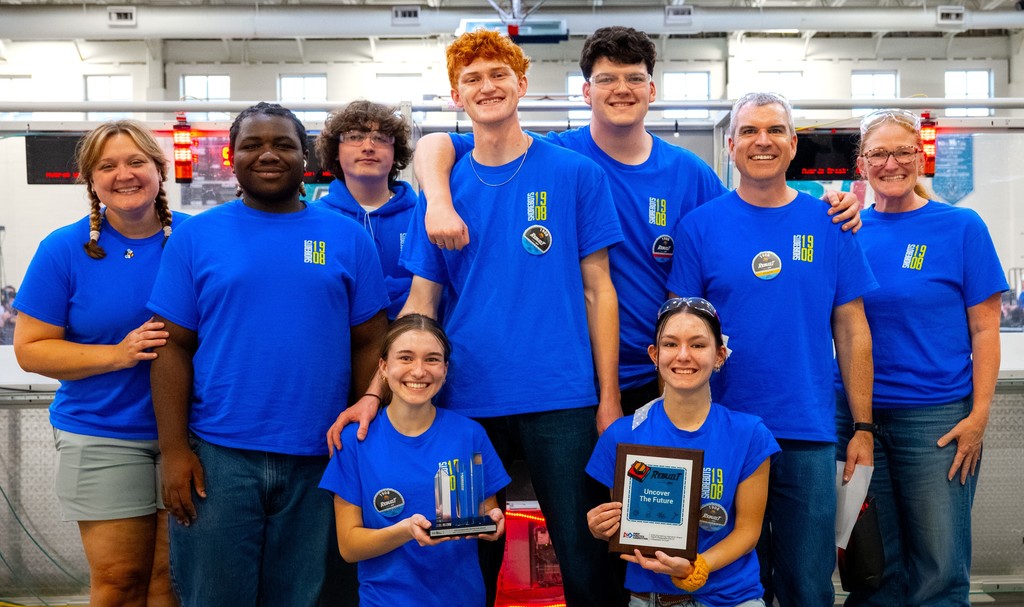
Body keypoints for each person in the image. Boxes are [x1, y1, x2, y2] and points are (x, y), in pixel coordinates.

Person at [413, 26, 862, 415]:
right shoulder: (556, 157)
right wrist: (436, 200)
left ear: (652, 90)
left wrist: (828, 202)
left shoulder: (689, 174)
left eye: (635, 78)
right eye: (606, 79)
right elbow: (443, 145)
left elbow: (745, 222)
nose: (621, 89)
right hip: (575, 372)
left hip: (666, 370)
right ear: (586, 92)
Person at [333, 29, 625, 607]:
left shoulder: (575, 174)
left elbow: (600, 290)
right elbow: (421, 304)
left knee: (584, 556)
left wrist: (608, 396)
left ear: (522, 84)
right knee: (468, 552)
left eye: (498, 75)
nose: (486, 87)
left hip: (561, 395)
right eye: (472, 79)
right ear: (455, 96)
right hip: (467, 400)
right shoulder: (443, 189)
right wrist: (375, 392)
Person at [148, 102, 389, 607]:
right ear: (231, 157)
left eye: (283, 144)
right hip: (218, 459)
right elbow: (171, 347)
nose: (268, 154)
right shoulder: (197, 236)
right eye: (253, 144)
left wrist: (366, 430)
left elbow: (371, 341)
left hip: (322, 457)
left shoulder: (345, 237)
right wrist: (173, 451)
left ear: (307, 157)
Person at [666, 92, 878, 607]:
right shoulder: (699, 226)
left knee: (808, 585)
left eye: (776, 130)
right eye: (751, 132)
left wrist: (863, 427)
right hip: (721, 434)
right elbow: (678, 337)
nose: (763, 141)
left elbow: (852, 328)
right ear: (732, 145)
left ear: (793, 143)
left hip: (806, 431)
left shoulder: (831, 223)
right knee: (732, 585)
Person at [834, 109, 1007, 607]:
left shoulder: (959, 227)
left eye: (903, 151)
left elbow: (985, 328)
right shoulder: (847, 230)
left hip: (935, 420)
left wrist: (977, 417)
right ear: (862, 163)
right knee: (872, 568)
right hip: (857, 419)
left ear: (921, 156)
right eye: (878, 153)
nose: (891, 163)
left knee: (938, 568)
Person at [12, 120, 184, 607]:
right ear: (91, 180)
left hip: (189, 435)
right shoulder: (63, 250)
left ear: (159, 170)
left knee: (170, 580)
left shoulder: (196, 240)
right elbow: (32, 349)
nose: (123, 174)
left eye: (136, 162)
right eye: (107, 166)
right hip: (103, 433)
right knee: (119, 580)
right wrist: (118, 355)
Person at [587, 297, 779, 607]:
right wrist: (602, 526)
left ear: (719, 356)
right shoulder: (621, 436)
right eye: (671, 344)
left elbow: (748, 532)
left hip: (731, 599)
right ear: (655, 354)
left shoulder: (749, 434)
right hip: (649, 598)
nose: (684, 356)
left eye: (698, 345)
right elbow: (629, 525)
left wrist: (698, 566)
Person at [320, 314, 510, 606]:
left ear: (445, 370)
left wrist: (493, 524)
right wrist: (405, 531)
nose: (419, 371)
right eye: (405, 358)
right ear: (383, 367)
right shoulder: (354, 441)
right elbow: (348, 546)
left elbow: (488, 513)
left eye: (432, 359)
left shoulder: (470, 435)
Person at [313, 100, 417, 319]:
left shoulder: (422, 216)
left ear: (395, 152)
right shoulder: (314, 221)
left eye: (380, 138)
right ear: (335, 152)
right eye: (354, 137)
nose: (368, 146)